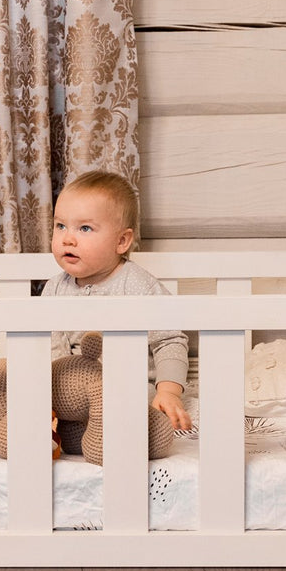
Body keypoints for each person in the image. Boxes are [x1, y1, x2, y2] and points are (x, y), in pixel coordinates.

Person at [44, 169, 192, 430]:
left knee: (142, 411)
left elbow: (169, 340)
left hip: (130, 389)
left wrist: (169, 392)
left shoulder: (137, 284)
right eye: (60, 225)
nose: (68, 238)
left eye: (85, 228)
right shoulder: (55, 288)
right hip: (76, 395)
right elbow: (53, 350)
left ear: (122, 241)